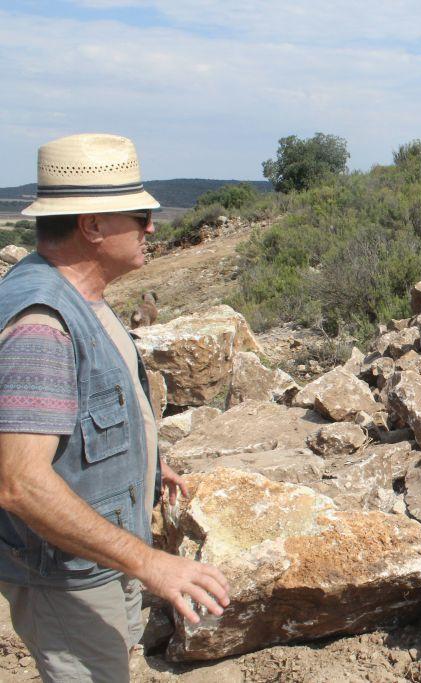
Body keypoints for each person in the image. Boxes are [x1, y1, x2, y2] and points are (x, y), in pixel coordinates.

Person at [0, 134, 230, 682]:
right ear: (93, 226)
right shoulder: (42, 325)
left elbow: (85, 415)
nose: (152, 226)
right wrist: (151, 563)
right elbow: (19, 482)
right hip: (68, 575)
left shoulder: (83, 297)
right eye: (140, 214)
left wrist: (145, 461)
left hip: (98, 558)